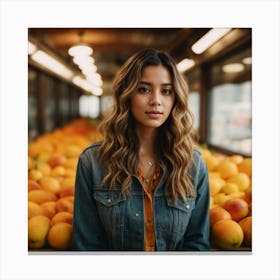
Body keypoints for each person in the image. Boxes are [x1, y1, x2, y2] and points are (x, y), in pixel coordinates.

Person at [71, 48, 210, 251]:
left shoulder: (193, 164)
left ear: (175, 98)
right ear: (126, 95)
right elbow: (86, 247)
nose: (156, 100)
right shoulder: (92, 162)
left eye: (166, 91)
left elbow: (197, 245)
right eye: (144, 89)